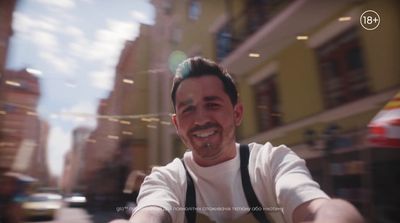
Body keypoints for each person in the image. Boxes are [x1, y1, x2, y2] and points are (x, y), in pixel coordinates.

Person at [128, 57, 364, 223]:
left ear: (237, 113)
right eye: (188, 110)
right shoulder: (166, 179)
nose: (200, 119)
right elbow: (150, 211)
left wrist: (334, 213)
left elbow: (315, 207)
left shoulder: (272, 162)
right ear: (177, 124)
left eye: (212, 105)